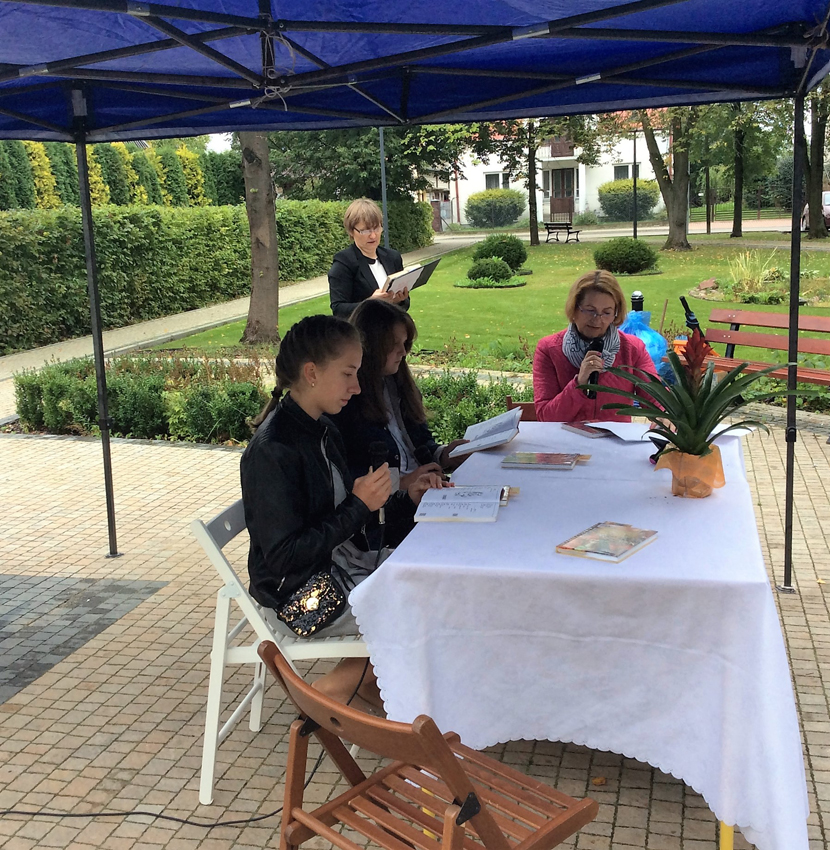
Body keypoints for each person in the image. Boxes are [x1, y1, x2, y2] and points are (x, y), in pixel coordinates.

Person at [241, 314, 443, 712]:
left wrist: (405, 499)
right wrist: (358, 505)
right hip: (300, 600)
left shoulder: (321, 428)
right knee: (418, 609)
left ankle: (368, 692)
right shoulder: (273, 451)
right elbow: (283, 557)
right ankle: (327, 697)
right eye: (348, 374)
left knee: (434, 583)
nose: (357, 386)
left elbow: (345, 516)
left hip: (337, 570)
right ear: (311, 373)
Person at [334, 300, 469, 545]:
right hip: (389, 516)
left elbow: (419, 443)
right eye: (394, 344)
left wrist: (445, 455)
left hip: (423, 494)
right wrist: (404, 483)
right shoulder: (347, 400)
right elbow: (349, 477)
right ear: (372, 345)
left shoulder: (397, 383)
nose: (403, 352)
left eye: (405, 343)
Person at [533, 270, 657, 422]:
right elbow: (545, 417)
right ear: (574, 309)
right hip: (565, 437)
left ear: (615, 314)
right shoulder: (549, 349)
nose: (597, 320)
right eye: (590, 311)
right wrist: (579, 383)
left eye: (606, 313)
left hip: (613, 438)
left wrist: (665, 416)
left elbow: (656, 400)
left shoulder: (633, 349)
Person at [329, 198, 409, 318]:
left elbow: (405, 304)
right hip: (363, 329)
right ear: (351, 231)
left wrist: (400, 300)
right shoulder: (344, 263)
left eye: (377, 228)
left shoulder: (393, 257)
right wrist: (370, 303)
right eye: (365, 230)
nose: (373, 235)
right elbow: (338, 309)